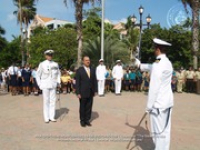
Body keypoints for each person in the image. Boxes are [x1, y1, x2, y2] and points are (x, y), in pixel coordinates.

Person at [136, 38, 174, 150]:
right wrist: (139, 65)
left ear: (157, 49)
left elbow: (154, 88)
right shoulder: (167, 62)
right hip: (167, 103)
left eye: (154, 48)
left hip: (157, 105)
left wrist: (148, 106)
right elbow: (150, 66)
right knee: (165, 132)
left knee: (158, 133)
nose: (153, 50)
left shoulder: (158, 64)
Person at [36, 50, 61, 123]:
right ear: (46, 56)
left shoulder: (55, 64)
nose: (50, 56)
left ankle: (52, 116)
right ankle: (46, 117)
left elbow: (58, 74)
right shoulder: (42, 64)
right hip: (45, 84)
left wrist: (58, 82)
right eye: (48, 55)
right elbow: (38, 75)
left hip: (53, 84)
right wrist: (39, 84)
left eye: (51, 55)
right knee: (46, 101)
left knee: (53, 101)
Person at [76, 56, 97, 127]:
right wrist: (78, 92)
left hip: (91, 91)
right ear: (83, 61)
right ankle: (82, 120)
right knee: (82, 107)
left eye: (89, 60)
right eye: (86, 60)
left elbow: (94, 80)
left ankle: (87, 119)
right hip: (82, 92)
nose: (88, 61)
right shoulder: (79, 70)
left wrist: (95, 90)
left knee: (89, 106)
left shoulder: (92, 69)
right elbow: (77, 83)